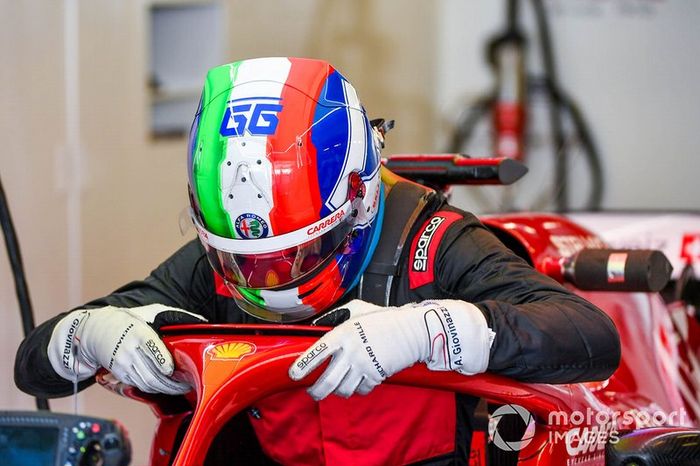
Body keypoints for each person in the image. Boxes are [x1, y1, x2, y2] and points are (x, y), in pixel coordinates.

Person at [15, 57, 620, 465]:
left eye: (298, 252)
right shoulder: (215, 272)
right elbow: (32, 366)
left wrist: (429, 330)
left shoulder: (433, 245)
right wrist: (90, 335)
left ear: (357, 197)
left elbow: (591, 337)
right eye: (246, 263)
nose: (270, 280)